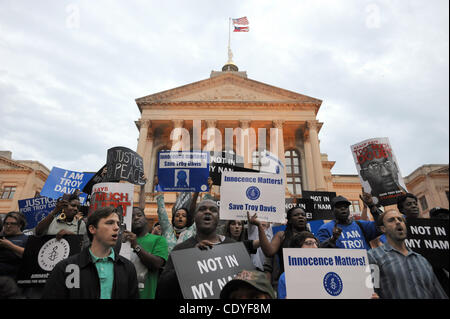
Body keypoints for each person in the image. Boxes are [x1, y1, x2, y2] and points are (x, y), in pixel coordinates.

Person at [42, 206, 139, 299]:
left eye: (118, 223)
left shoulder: (127, 267)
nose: (117, 228)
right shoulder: (65, 268)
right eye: (110, 223)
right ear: (92, 229)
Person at [155, 199, 238, 299]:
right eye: (202, 209)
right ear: (194, 217)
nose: (208, 212)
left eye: (213, 210)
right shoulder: (180, 249)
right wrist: (191, 258)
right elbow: (163, 288)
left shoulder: (233, 247)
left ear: (218, 218)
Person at [368, 209, 447, 299]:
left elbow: (438, 294)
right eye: (391, 220)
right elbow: (370, 291)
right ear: (383, 228)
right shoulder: (373, 257)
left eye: (400, 219)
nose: (397, 222)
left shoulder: (422, 260)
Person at [248, 206, 309, 280]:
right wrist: (259, 226)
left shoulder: (312, 238)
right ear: (289, 220)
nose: (300, 217)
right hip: (287, 279)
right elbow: (269, 252)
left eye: (303, 215)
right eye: (296, 215)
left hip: (308, 277)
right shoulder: (281, 235)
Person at [122, 207, 168, 299]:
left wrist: (136, 246)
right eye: (132, 216)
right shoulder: (122, 241)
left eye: (139, 215)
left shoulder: (159, 240)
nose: (136, 218)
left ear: (145, 219)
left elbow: (157, 264)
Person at [154, 177, 198, 253]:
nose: (180, 217)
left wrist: (199, 189)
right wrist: (159, 186)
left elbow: (201, 213)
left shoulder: (192, 230)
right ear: (173, 219)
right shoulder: (167, 229)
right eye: (177, 215)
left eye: (184, 216)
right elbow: (161, 211)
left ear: (187, 219)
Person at [277, 231, 319, 299]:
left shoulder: (324, 272)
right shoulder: (285, 277)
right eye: (309, 243)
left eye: (316, 243)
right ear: (297, 248)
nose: (315, 247)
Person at [0, 211, 28, 280]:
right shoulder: (1, 237)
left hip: (14, 280)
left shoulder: (26, 239)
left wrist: (11, 246)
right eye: (6, 223)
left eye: (12, 224)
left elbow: (29, 256)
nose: (8, 226)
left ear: (20, 225)